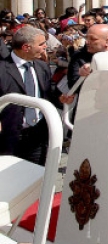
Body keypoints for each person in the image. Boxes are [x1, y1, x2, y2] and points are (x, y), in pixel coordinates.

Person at [0, 25, 62, 164]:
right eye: (41, 44)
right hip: (9, 140)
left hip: (37, 137)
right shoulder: (2, 70)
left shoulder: (42, 67)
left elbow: (49, 93)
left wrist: (62, 98)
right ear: (26, 47)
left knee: (36, 179)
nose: (45, 47)